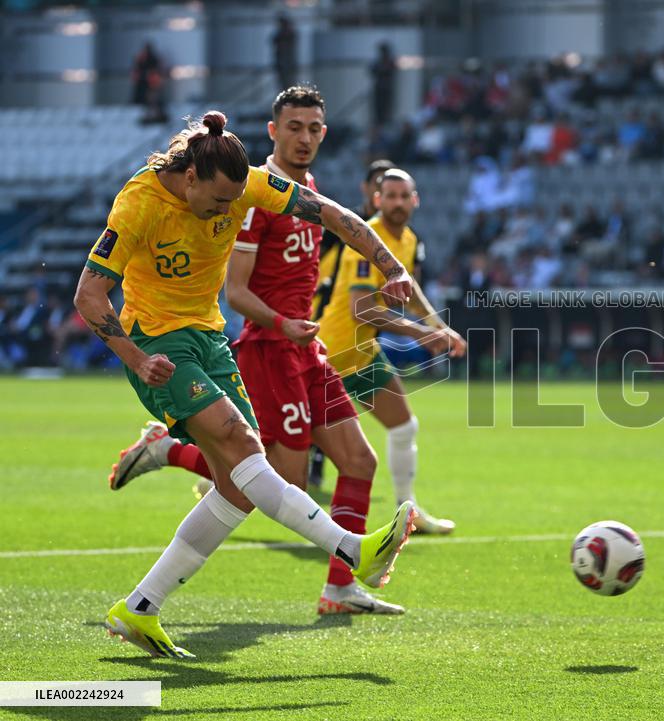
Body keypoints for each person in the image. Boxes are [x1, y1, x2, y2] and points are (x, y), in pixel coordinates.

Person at [75, 110, 416, 658]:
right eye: (215, 203)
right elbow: (89, 296)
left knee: (239, 482)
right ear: (189, 179)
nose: (224, 213)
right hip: (158, 344)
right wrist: (136, 359)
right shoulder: (136, 205)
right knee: (240, 446)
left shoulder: (246, 186)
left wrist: (388, 264)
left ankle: (140, 607)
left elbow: (330, 214)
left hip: (209, 339)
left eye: (233, 203)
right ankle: (352, 549)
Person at [317, 167, 467, 534]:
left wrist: (438, 326)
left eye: (405, 196)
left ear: (415, 200)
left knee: (403, 426)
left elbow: (410, 290)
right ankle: (199, 468)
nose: (398, 203)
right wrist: (422, 334)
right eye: (391, 196)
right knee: (276, 450)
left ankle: (407, 514)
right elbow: (362, 308)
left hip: (360, 351)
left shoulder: (409, 240)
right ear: (377, 199)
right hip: (328, 354)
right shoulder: (365, 240)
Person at [308, 158, 394, 487]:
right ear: (368, 189)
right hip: (323, 318)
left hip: (357, 337)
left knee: (325, 406)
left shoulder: (401, 237)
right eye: (377, 184)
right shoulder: (349, 227)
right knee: (308, 408)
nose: (380, 191)